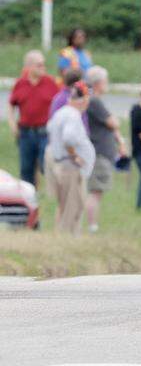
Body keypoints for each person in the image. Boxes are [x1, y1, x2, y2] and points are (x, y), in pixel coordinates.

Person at [46, 83, 94, 235]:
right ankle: (68, 239)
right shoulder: (72, 115)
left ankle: (67, 237)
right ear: (83, 100)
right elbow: (68, 138)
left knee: (68, 204)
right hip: (69, 167)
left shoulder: (61, 112)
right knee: (73, 206)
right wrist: (75, 156)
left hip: (62, 164)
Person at [8, 50, 59, 186]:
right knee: (26, 169)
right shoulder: (20, 84)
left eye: (43, 65)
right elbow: (11, 104)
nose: (43, 68)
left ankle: (53, 193)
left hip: (45, 133)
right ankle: (30, 198)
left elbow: (60, 104)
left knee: (45, 165)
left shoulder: (50, 83)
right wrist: (13, 124)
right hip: (25, 133)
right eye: (39, 65)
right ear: (29, 67)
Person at [84, 66, 126, 233]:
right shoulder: (94, 101)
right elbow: (113, 122)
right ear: (98, 83)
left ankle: (93, 224)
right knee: (95, 190)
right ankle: (92, 225)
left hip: (104, 152)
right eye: (105, 81)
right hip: (99, 153)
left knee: (98, 191)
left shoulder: (96, 101)